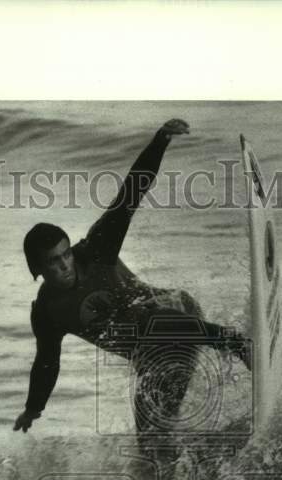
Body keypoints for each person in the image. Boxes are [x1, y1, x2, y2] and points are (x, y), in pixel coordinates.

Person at [14, 118, 251, 447]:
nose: (65, 265)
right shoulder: (47, 312)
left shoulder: (96, 250)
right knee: (152, 440)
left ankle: (234, 341)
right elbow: (46, 361)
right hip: (151, 356)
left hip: (176, 313)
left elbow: (129, 196)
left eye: (65, 255)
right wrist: (32, 408)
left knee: (149, 319)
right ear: (36, 269)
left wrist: (160, 140)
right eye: (53, 262)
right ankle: (191, 468)